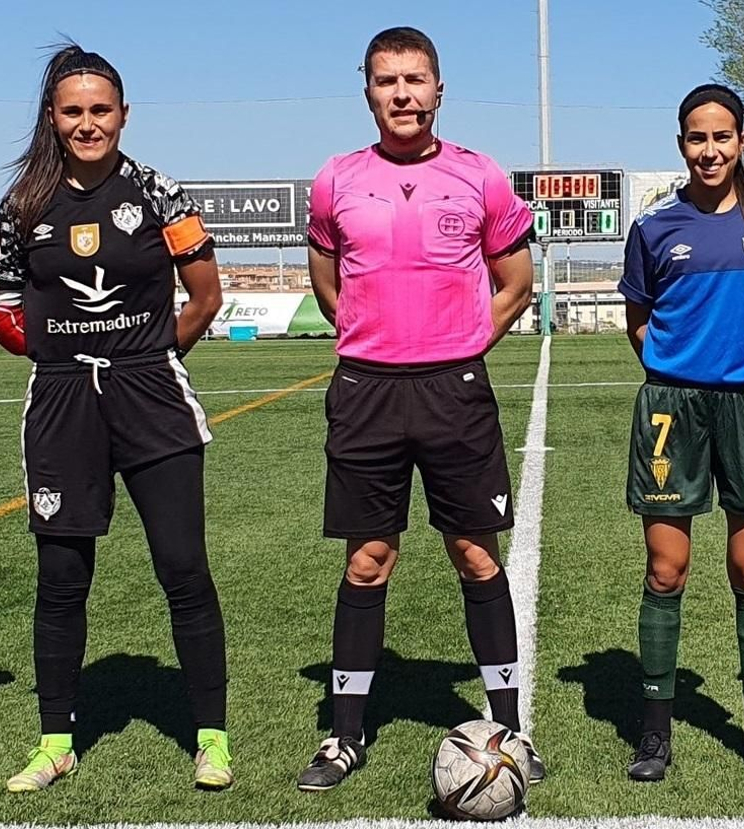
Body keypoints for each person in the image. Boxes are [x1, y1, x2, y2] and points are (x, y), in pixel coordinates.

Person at [0, 44, 230, 793]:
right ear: (51, 119)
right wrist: (59, 358)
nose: (88, 124)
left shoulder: (160, 193)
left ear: (123, 114)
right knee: (60, 577)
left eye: (100, 110)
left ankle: (210, 738)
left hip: (151, 395)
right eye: (72, 111)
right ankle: (55, 740)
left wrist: (150, 356)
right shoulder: (21, 204)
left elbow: (205, 295)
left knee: (182, 567)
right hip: (61, 403)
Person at [297, 26, 540, 792]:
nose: (402, 93)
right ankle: (343, 737)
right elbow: (329, 282)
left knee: (474, 553)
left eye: (415, 79)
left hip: (453, 391)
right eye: (386, 81)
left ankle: (508, 727)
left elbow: (515, 283)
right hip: (366, 390)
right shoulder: (335, 180)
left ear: (439, 89)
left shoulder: (481, 176)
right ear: (367, 91)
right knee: (368, 561)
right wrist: (379, 341)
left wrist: (462, 346)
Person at [617, 84, 744, 786]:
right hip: (672, 409)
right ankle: (655, 733)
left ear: (743, 141)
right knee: (667, 570)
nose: (711, 149)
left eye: (722, 136)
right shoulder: (655, 229)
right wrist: (676, 372)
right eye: (698, 137)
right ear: (681, 144)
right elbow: (639, 320)